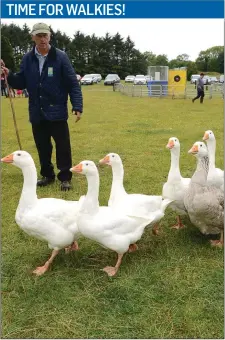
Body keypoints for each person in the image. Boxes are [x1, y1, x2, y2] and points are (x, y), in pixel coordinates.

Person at [1, 22, 83, 191]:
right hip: (37, 111)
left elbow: (72, 83)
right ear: (33, 37)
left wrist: (77, 105)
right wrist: (8, 74)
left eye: (45, 35)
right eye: (39, 36)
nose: (42, 39)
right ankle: (47, 175)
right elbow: (21, 82)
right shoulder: (27, 58)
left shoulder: (60, 57)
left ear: (50, 36)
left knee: (62, 146)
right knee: (42, 146)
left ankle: (65, 177)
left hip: (57, 111)